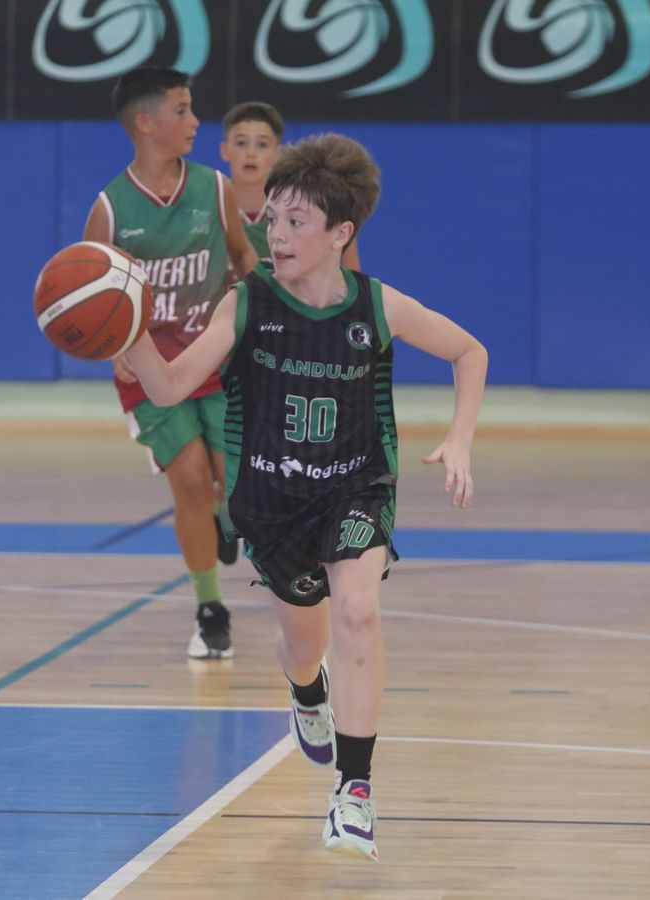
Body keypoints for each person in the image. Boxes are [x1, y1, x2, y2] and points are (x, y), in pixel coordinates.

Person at [123, 133, 488, 861]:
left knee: (357, 609)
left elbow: (468, 351)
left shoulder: (378, 307)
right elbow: (165, 385)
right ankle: (307, 693)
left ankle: (354, 792)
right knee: (303, 643)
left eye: (296, 222)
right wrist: (123, 327)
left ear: (339, 234)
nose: (275, 233)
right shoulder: (246, 303)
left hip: (356, 484)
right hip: (270, 498)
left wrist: (461, 437)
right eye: (272, 218)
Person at [83, 67, 259, 659]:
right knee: (188, 481)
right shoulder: (109, 209)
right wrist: (114, 351)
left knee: (234, 487)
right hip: (152, 370)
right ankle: (211, 608)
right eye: (182, 111)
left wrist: (274, 308)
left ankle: (227, 516)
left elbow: (241, 256)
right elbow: (92, 300)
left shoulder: (214, 189)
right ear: (146, 122)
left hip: (217, 357)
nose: (195, 121)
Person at [220, 100, 361, 271]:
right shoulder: (210, 205)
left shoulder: (301, 206)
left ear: (278, 152)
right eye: (241, 143)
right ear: (225, 150)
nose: (251, 153)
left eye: (262, 144)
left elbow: (347, 258)